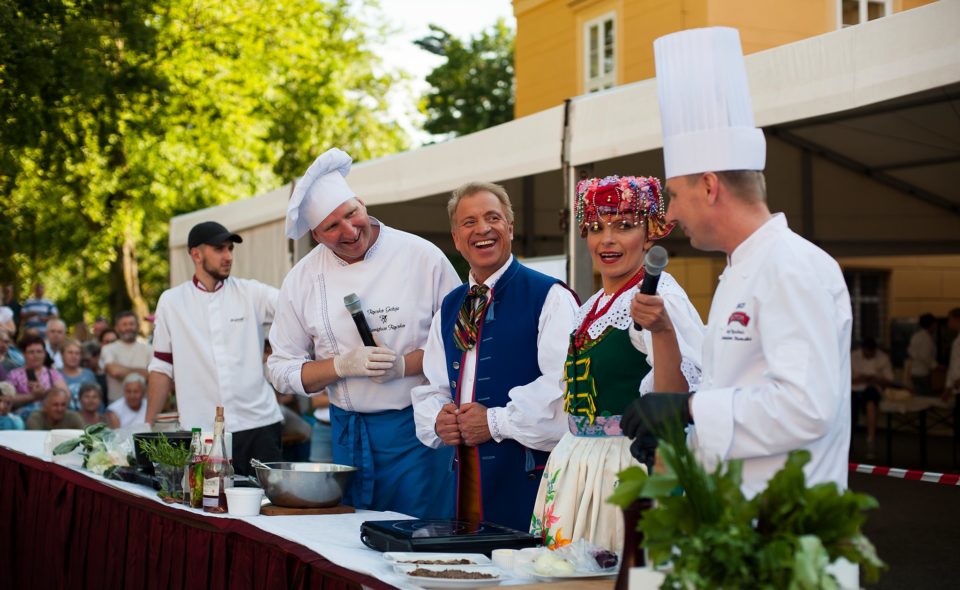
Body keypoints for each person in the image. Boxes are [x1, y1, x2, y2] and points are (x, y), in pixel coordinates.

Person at [623, 27, 852, 498]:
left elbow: (805, 407)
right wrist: (677, 439)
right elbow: (739, 398)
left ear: (709, 187)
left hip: (788, 531)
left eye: (674, 196)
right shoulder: (739, 271)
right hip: (735, 520)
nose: (671, 215)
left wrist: (687, 410)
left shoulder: (792, 266)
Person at [268, 148, 461, 517]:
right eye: (331, 227)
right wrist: (340, 366)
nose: (350, 230)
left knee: (421, 535)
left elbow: (462, 343)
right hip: (346, 435)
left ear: (361, 202)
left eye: (351, 213)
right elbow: (280, 369)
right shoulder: (302, 279)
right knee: (355, 539)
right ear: (315, 235)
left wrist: (403, 366)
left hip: (418, 430)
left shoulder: (423, 257)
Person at [529, 175, 703, 551]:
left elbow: (675, 399)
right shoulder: (592, 306)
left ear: (650, 233)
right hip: (578, 463)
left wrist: (664, 331)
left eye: (624, 226)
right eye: (595, 227)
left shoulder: (660, 297)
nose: (606, 239)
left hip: (628, 466)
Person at [411, 181, 578, 531]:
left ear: (511, 228)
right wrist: (438, 419)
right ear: (456, 238)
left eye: (493, 218)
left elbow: (566, 389)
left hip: (529, 478)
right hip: (463, 480)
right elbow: (435, 383)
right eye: (469, 222)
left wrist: (494, 421)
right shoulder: (451, 305)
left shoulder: (549, 296)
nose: (483, 229)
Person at [145, 221, 283, 476]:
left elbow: (296, 308)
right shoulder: (171, 302)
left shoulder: (251, 292)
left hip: (259, 425)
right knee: (207, 507)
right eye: (220, 249)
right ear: (196, 254)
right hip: (201, 430)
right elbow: (162, 366)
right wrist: (145, 424)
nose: (228, 256)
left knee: (266, 508)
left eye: (230, 249)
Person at [851, 338, 894, 459]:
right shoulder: (853, 356)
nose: (869, 356)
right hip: (853, 389)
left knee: (871, 406)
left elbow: (889, 380)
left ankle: (871, 440)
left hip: (872, 388)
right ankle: (848, 445)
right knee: (849, 414)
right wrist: (860, 378)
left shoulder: (883, 358)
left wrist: (875, 379)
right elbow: (845, 378)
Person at [8, 334, 67, 418]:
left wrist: (46, 392)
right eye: (31, 352)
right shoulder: (14, 374)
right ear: (24, 354)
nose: (36, 355)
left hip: (49, 418)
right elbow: (8, 399)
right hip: (22, 419)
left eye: (39, 352)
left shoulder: (53, 373)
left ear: (44, 354)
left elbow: (65, 394)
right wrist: (32, 396)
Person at [100, 311, 152, 403]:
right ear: (117, 328)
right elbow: (115, 372)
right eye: (124, 324)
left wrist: (121, 368)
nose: (128, 327)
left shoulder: (149, 349)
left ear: (138, 326)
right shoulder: (108, 349)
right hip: (116, 405)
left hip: (144, 405)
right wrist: (143, 372)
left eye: (131, 324)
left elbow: (152, 376)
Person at [60, 338, 98, 409]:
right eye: (70, 352)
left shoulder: (89, 374)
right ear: (62, 355)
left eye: (77, 353)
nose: (74, 356)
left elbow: (97, 399)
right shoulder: (55, 375)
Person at [907, 313, 938, 396]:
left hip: (914, 372)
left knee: (918, 397)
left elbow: (910, 351)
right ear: (931, 324)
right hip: (922, 374)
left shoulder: (916, 336)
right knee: (925, 399)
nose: (936, 326)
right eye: (935, 324)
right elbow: (926, 357)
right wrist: (936, 366)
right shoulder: (926, 339)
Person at [944, 308, 960, 400]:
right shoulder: (956, 340)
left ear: (957, 319)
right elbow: (953, 365)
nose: (948, 323)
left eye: (950, 319)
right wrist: (948, 387)